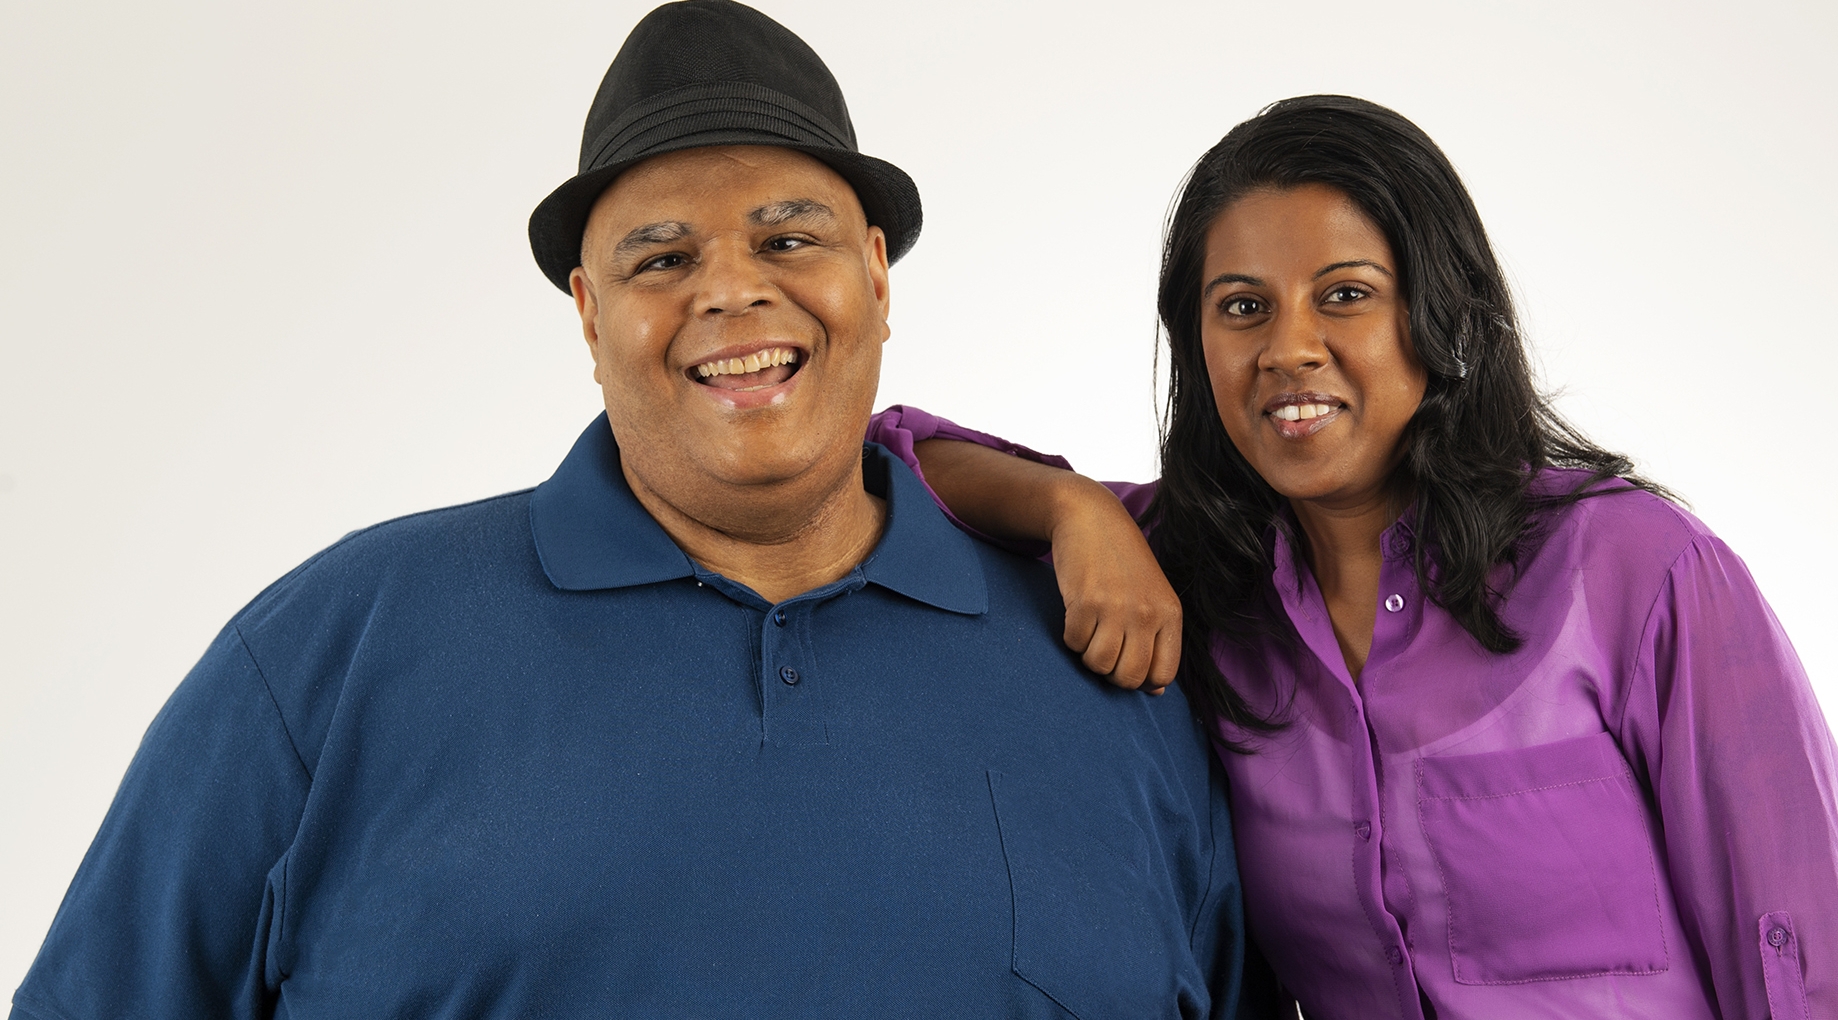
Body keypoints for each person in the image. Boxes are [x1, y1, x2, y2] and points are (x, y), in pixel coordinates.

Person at [8, 4, 1255, 1018]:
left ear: (875, 273)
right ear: (587, 316)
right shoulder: (336, 649)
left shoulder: (1109, 665)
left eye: (788, 238)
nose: (730, 292)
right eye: (661, 260)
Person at [871, 95, 1838, 1019]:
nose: (1287, 347)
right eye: (1241, 308)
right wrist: (1072, 511)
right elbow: (890, 457)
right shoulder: (1202, 581)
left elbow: (1796, 955)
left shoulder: (1635, 568)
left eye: (1345, 293)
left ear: (1437, 311)